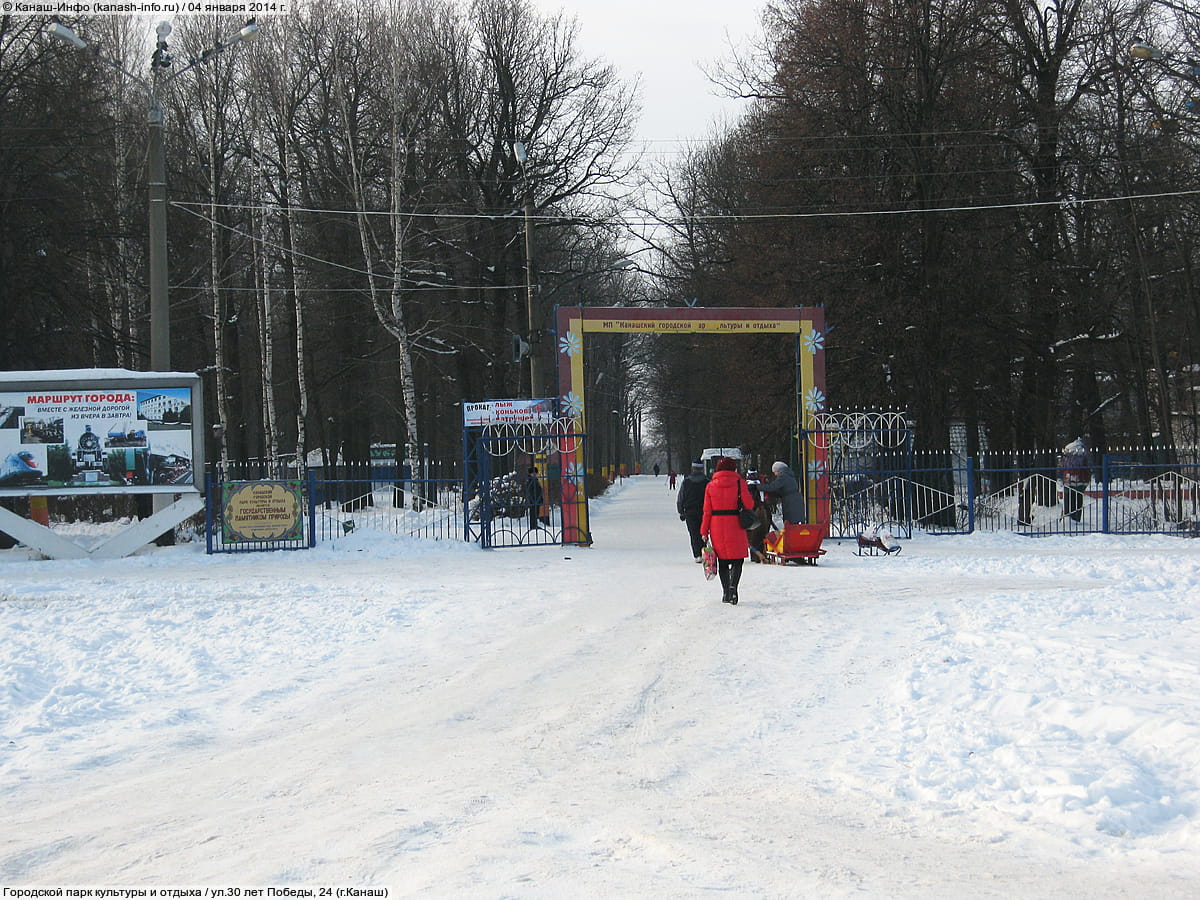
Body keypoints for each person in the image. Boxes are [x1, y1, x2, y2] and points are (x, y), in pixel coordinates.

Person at [701, 456, 755, 604]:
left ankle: (725, 592)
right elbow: (749, 504)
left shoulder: (710, 486)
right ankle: (733, 588)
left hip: (716, 525)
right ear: (734, 469)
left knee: (723, 561)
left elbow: (706, 511)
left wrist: (704, 531)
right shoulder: (739, 483)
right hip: (736, 523)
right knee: (738, 560)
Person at [676, 460, 709, 561]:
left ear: (693, 468)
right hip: (705, 510)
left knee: (693, 532)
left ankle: (697, 554)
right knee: (703, 532)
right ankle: (704, 550)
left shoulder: (687, 482)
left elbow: (681, 497)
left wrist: (681, 511)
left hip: (690, 511)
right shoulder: (707, 481)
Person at [761, 460, 805, 525]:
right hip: (794, 501)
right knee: (795, 522)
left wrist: (759, 486)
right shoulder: (788, 475)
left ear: (778, 470)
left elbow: (773, 487)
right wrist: (769, 492)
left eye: (774, 472)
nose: (775, 474)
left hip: (791, 503)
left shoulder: (783, 476)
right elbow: (782, 493)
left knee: (791, 523)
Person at [1058, 438, 1090, 523]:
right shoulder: (1083, 454)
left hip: (1068, 480)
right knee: (1078, 501)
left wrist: (1062, 479)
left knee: (1068, 501)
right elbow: (1086, 469)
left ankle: (1068, 519)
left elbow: (1063, 468)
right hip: (1080, 481)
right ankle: (1076, 519)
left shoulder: (1067, 454)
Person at [525, 465, 547, 529]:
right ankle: (533, 525)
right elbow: (530, 491)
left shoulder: (534, 480)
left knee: (536, 512)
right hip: (533, 499)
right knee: (533, 513)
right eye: (533, 473)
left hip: (537, 499)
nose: (535, 474)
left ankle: (534, 524)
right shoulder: (530, 481)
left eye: (535, 473)